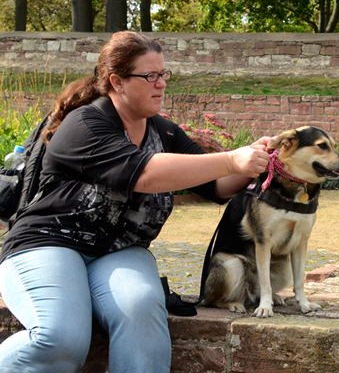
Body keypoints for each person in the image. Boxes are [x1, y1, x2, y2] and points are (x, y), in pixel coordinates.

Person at [0, 31, 271, 373]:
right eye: (150, 76)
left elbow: (217, 185)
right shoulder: (84, 124)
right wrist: (232, 159)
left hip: (120, 251)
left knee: (142, 309)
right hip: (47, 243)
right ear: (118, 82)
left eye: (164, 74)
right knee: (60, 337)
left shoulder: (164, 132)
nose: (161, 84)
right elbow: (143, 173)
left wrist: (258, 159)